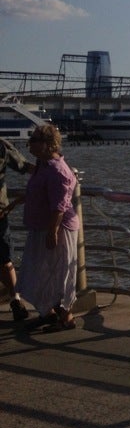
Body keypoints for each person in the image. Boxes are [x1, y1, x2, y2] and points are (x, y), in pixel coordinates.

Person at [19, 125, 79, 330]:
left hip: (56, 228)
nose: (30, 145)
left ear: (47, 143)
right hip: (40, 226)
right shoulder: (43, 166)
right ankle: (49, 312)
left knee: (58, 274)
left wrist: (53, 231)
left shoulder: (56, 170)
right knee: (38, 272)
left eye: (34, 140)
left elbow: (59, 205)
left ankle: (66, 318)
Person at [0, 137, 33, 321]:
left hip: (0, 212)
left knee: (5, 259)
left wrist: (53, 172)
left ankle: (15, 299)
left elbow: (24, 166)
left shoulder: (2, 146)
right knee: (5, 258)